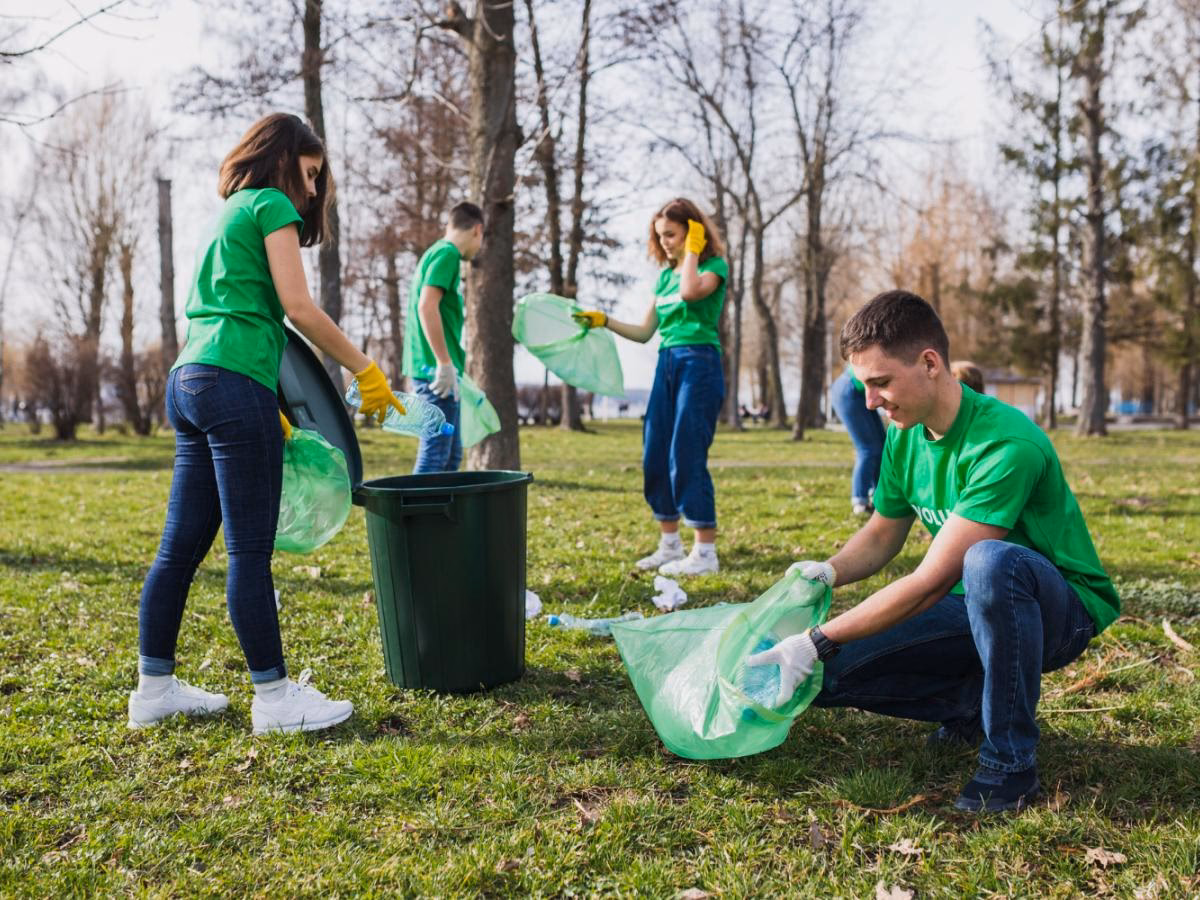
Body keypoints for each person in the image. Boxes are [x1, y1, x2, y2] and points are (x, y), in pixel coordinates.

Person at [747, 290, 1119, 812]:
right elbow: (881, 534)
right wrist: (826, 572)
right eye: (864, 388)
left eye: (880, 383)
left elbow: (930, 582)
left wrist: (817, 637)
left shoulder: (1006, 444)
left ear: (929, 363)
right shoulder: (906, 432)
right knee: (821, 678)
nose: (871, 402)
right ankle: (972, 705)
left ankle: (1009, 765)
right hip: (973, 603)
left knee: (991, 563)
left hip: (1055, 613)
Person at [128, 113, 404, 735]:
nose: (311, 193)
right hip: (231, 384)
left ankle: (154, 689)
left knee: (178, 551)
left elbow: (242, 312)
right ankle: (275, 700)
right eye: (310, 175)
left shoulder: (228, 211)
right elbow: (297, 308)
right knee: (249, 553)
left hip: (190, 379)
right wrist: (364, 369)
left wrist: (269, 406)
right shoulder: (272, 204)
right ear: (283, 159)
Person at [574, 198, 728, 576]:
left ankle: (705, 552)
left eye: (672, 235)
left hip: (700, 363)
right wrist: (604, 320)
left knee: (686, 451)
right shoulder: (663, 278)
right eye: (661, 237)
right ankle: (670, 545)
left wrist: (693, 249)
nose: (666, 244)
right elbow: (644, 333)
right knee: (655, 450)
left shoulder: (713, 267)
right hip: (667, 363)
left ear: (693, 231)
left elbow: (691, 292)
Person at [401, 202, 485, 473]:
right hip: (435, 373)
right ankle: (415, 515)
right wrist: (444, 363)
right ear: (477, 230)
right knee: (436, 454)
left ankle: (441, 515)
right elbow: (426, 306)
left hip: (437, 370)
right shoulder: (448, 254)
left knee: (450, 456)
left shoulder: (436, 253)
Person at [830, 365, 886, 515]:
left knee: (883, 444)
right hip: (848, 389)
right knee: (868, 449)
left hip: (859, 391)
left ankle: (878, 496)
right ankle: (859, 501)